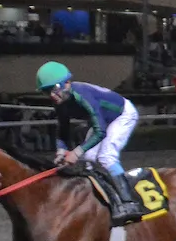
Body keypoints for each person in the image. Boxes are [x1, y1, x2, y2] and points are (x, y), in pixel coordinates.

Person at [36, 60, 143, 224]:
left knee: (106, 156)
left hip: (122, 115)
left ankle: (129, 202)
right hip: (104, 120)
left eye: (54, 88)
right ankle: (101, 199)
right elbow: (62, 129)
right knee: (89, 159)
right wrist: (60, 151)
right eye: (46, 91)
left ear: (67, 83)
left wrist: (75, 152)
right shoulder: (60, 103)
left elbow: (100, 131)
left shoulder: (82, 95)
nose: (51, 95)